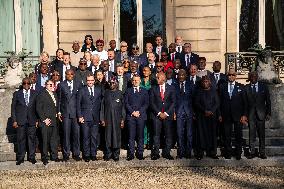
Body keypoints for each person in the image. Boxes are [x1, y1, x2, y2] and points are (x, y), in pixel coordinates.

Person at [219, 69, 248, 160]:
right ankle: (228, 153)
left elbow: (245, 102)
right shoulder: (222, 86)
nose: (231, 76)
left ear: (235, 76)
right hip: (226, 114)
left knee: (238, 135)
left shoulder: (241, 87)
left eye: (233, 75)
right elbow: (219, 102)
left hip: (238, 115)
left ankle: (238, 153)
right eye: (229, 75)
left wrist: (244, 115)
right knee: (226, 135)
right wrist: (219, 114)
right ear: (227, 76)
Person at [77, 74, 103, 162]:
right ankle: (86, 155)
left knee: (94, 137)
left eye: (91, 80)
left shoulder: (98, 90)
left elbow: (101, 104)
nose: (90, 82)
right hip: (85, 117)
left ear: (94, 81)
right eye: (88, 80)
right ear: (86, 81)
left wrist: (100, 117)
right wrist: (80, 116)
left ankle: (93, 154)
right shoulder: (82, 90)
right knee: (85, 137)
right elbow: (78, 105)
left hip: (95, 118)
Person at [150, 72, 176, 160]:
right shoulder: (153, 89)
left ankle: (167, 153)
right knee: (156, 135)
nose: (156, 79)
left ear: (163, 79)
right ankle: (155, 153)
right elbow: (152, 103)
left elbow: (173, 102)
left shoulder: (171, 88)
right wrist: (158, 113)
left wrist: (166, 113)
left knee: (168, 135)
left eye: (158, 78)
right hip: (156, 116)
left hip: (168, 116)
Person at [11, 78, 38, 165]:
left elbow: (37, 108)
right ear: (22, 84)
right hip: (20, 120)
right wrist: (14, 120)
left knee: (32, 139)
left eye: (28, 83)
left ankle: (32, 157)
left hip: (32, 120)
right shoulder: (17, 94)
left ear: (30, 84)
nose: (26, 84)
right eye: (24, 83)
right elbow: (13, 108)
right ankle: (20, 158)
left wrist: (37, 119)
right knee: (20, 139)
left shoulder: (35, 93)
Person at [245, 71, 271, 159]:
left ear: (257, 77)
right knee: (251, 134)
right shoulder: (246, 87)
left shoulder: (263, 86)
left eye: (255, 76)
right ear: (249, 77)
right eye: (251, 76)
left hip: (261, 114)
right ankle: (252, 152)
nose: (253, 77)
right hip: (251, 115)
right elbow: (244, 103)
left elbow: (268, 101)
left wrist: (268, 113)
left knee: (261, 134)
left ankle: (262, 152)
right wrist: (244, 115)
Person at [57, 69, 82, 162]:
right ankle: (66, 154)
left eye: (71, 74)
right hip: (66, 113)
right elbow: (59, 99)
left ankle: (76, 153)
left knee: (76, 134)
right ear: (65, 75)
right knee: (66, 134)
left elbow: (81, 99)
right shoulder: (61, 85)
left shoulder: (78, 84)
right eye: (68, 74)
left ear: (74, 74)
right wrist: (59, 112)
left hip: (75, 113)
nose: (70, 75)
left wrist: (81, 114)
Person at [194, 76, 219, 160]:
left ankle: (212, 152)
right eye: (204, 81)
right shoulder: (198, 91)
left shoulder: (214, 91)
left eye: (207, 81)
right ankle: (200, 153)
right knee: (201, 134)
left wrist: (211, 111)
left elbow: (217, 103)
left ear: (210, 82)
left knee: (212, 134)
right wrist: (204, 111)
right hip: (201, 116)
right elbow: (196, 103)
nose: (205, 83)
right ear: (201, 83)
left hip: (212, 116)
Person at [100, 77, 126, 161]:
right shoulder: (106, 93)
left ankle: (116, 154)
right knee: (108, 136)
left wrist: (122, 119)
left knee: (116, 136)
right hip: (107, 118)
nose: (112, 84)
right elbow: (102, 107)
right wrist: (102, 119)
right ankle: (108, 153)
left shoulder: (120, 93)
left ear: (117, 84)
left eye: (113, 83)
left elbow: (123, 108)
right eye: (110, 83)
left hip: (117, 119)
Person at [125, 74, 149, 160]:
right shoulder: (128, 91)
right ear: (132, 81)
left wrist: (139, 112)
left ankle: (140, 153)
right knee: (131, 136)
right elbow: (126, 103)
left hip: (141, 116)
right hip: (131, 116)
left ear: (140, 81)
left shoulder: (144, 91)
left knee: (140, 136)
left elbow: (146, 104)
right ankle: (131, 154)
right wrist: (132, 112)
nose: (135, 82)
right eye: (134, 80)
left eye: (137, 80)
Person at [36, 80, 59, 165]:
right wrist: (44, 119)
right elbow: (38, 108)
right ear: (45, 85)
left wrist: (58, 113)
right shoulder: (41, 94)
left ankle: (54, 156)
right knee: (45, 140)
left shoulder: (54, 94)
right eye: (50, 84)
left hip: (54, 120)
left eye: (53, 84)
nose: (51, 86)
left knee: (54, 140)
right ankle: (44, 157)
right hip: (45, 121)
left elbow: (55, 107)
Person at [173, 70, 193, 159]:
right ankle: (181, 152)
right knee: (179, 133)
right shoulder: (174, 86)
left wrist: (193, 112)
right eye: (179, 75)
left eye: (183, 75)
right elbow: (173, 100)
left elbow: (194, 100)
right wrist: (174, 112)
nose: (181, 76)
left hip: (189, 112)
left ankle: (188, 152)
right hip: (179, 112)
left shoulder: (190, 85)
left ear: (186, 76)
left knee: (189, 134)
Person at [140, 66, 153, 148]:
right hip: (142, 106)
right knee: (143, 125)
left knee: (151, 124)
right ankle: (144, 142)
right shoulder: (140, 81)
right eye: (144, 71)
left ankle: (150, 141)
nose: (145, 72)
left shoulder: (153, 82)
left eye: (147, 71)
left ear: (150, 72)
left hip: (151, 106)